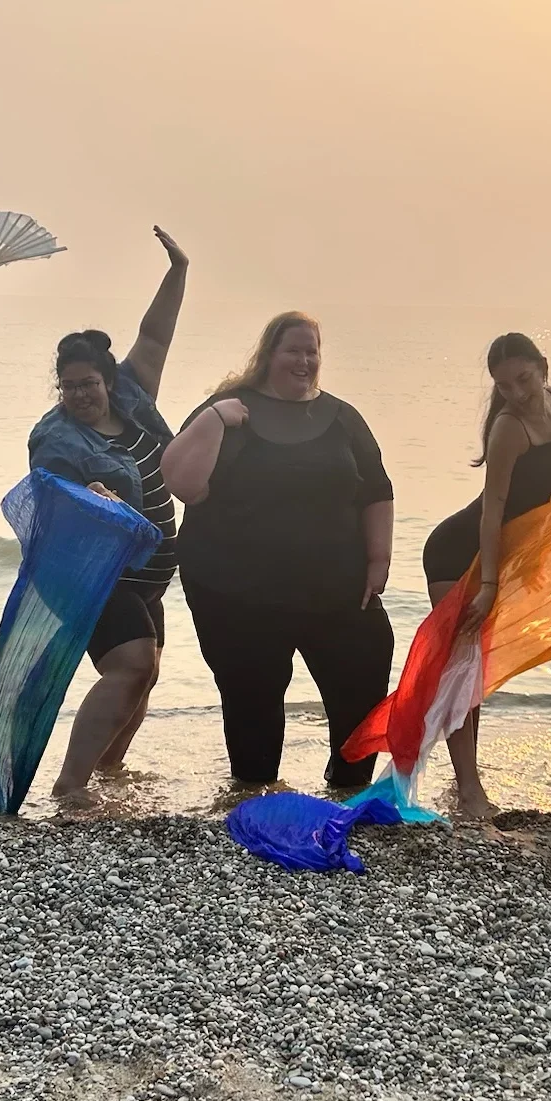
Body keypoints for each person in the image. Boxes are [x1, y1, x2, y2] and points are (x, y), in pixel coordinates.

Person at [163, 313, 395, 791]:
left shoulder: (342, 417)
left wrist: (379, 561)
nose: (305, 360)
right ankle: (255, 792)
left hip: (334, 586)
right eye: (294, 349)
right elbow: (183, 484)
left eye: (312, 350)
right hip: (237, 592)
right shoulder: (230, 411)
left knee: (364, 675)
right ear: (269, 354)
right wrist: (213, 418)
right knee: (253, 700)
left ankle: (348, 787)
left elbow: (376, 489)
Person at [27, 226, 189, 802]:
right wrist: (88, 493)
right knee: (131, 666)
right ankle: (71, 786)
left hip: (148, 578)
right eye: (69, 386)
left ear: (108, 378)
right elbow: (52, 501)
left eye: (88, 383)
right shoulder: (54, 438)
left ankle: (108, 774)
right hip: (94, 576)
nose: (79, 395)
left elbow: (155, 336)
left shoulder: (133, 396)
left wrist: (178, 271)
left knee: (143, 678)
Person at [422, 333, 551, 814]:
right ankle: (468, 790)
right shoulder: (508, 428)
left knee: (474, 667)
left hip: (501, 554)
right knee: (464, 668)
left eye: (523, 379)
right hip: (459, 555)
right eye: (504, 386)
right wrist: (487, 583)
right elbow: (493, 510)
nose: (518, 393)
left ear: (543, 368)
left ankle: (466, 784)